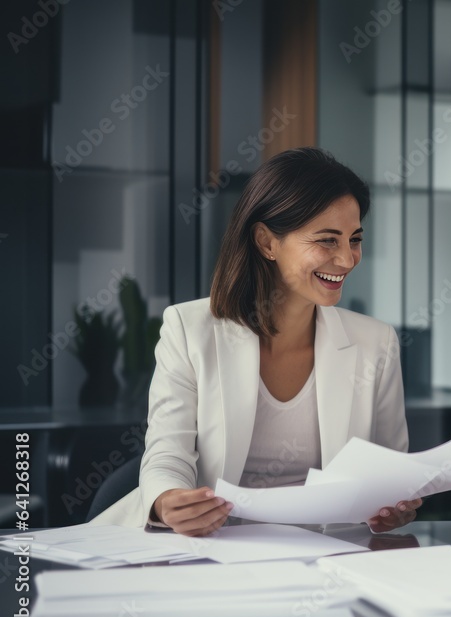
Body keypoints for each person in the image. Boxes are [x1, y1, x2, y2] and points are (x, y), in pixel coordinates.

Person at [93, 148, 420, 535]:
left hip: (326, 556)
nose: (347, 259)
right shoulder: (189, 328)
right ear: (267, 242)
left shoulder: (375, 343)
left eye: (355, 239)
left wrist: (396, 507)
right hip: (211, 551)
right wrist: (167, 501)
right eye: (328, 241)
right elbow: (167, 453)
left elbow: (391, 472)